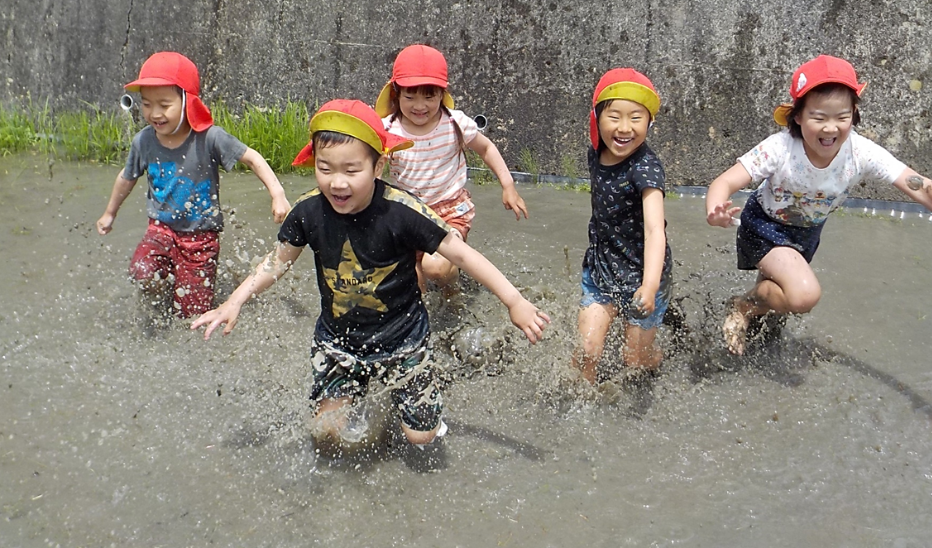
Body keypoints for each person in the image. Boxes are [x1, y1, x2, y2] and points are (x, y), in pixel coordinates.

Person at [190, 99, 549, 451]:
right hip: (338, 343)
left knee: (420, 438)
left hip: (404, 339)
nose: (337, 183)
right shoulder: (308, 212)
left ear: (378, 166)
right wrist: (234, 301)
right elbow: (276, 262)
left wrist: (514, 301)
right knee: (326, 433)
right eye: (325, 168)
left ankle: (421, 407)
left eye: (351, 170)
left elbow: (464, 255)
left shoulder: (403, 212)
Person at [706, 54, 932, 355]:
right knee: (803, 295)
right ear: (798, 115)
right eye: (819, 117)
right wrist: (715, 209)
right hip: (765, 227)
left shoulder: (861, 152)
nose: (830, 128)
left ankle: (755, 319)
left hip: (807, 233)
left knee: (780, 301)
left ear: (854, 114)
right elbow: (724, 182)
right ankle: (740, 308)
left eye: (841, 117)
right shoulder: (780, 148)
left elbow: (921, 186)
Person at [97, 51, 290, 318]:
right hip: (160, 229)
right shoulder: (143, 141)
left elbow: (252, 158)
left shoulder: (210, 138)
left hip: (201, 239)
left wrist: (277, 194)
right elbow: (126, 177)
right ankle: (158, 299)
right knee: (142, 272)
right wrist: (110, 213)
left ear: (188, 101)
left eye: (164, 104)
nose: (155, 113)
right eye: (147, 104)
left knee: (193, 314)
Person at [375, 44, 528, 293]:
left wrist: (508, 185)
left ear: (441, 94)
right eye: (410, 96)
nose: (420, 105)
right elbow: (372, 167)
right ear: (396, 94)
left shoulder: (455, 123)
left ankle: (453, 290)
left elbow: (487, 148)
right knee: (412, 283)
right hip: (406, 213)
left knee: (435, 268)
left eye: (429, 96)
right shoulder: (387, 129)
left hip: (449, 211)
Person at [573, 68, 673, 385]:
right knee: (587, 349)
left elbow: (656, 230)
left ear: (649, 123)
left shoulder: (646, 169)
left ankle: (656, 356)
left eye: (636, 118)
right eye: (614, 116)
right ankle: (582, 409)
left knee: (634, 360)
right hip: (602, 268)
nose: (624, 128)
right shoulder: (596, 152)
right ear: (597, 118)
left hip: (644, 274)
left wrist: (651, 284)